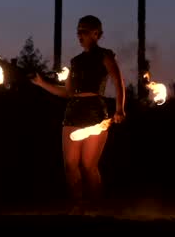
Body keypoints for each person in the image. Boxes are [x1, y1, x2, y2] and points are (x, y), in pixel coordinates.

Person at [32, 15, 126, 214]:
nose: (79, 34)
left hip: (95, 112)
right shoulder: (75, 61)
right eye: (78, 30)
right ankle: (78, 205)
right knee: (70, 164)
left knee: (89, 165)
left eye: (84, 30)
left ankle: (97, 207)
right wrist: (41, 83)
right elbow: (67, 92)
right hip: (73, 111)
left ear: (96, 34)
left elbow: (118, 82)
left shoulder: (105, 55)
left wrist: (120, 109)